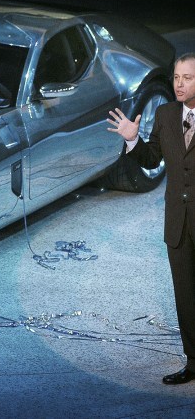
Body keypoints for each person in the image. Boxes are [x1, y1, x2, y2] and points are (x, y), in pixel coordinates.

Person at [106, 52, 195, 385]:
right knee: (185, 297)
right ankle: (193, 361)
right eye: (176, 77)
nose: (179, 84)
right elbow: (151, 158)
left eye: (188, 77)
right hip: (178, 222)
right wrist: (132, 138)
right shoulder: (165, 114)